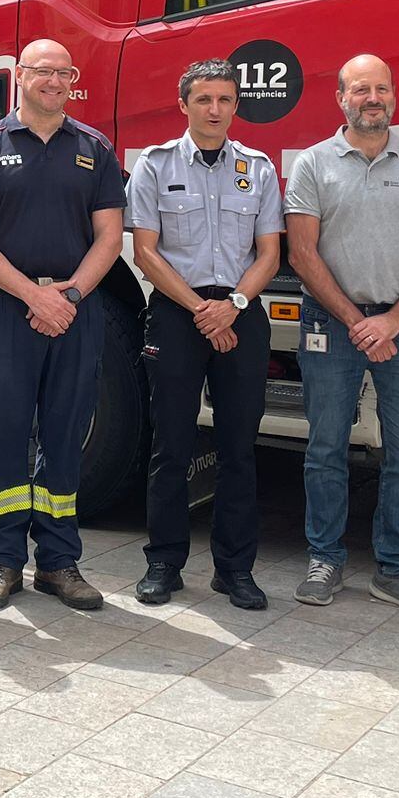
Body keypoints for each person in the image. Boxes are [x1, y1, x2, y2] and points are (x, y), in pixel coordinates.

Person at [0, 38, 125, 612]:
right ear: (20, 76)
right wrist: (34, 295)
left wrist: (69, 295)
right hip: (8, 307)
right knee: (4, 429)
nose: (55, 81)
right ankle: (2, 560)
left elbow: (109, 237)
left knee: (65, 432)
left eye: (64, 73)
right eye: (44, 71)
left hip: (75, 310)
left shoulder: (95, 148)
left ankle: (58, 562)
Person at [285, 53, 399, 619]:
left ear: (394, 97)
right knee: (326, 449)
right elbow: (302, 255)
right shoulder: (313, 164)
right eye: (361, 89)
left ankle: (397, 568)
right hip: (331, 325)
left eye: (382, 88)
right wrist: (359, 323)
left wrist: (393, 321)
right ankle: (324, 559)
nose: (372, 98)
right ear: (341, 98)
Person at [127, 60, 283, 611]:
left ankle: (235, 570)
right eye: (203, 100)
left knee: (240, 447)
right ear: (184, 105)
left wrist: (233, 306)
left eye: (224, 100)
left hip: (240, 311)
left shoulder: (259, 168)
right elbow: (146, 251)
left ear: (236, 106)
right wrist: (201, 310)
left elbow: (269, 253)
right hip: (177, 312)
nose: (214, 110)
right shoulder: (154, 165)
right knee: (171, 444)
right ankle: (164, 563)